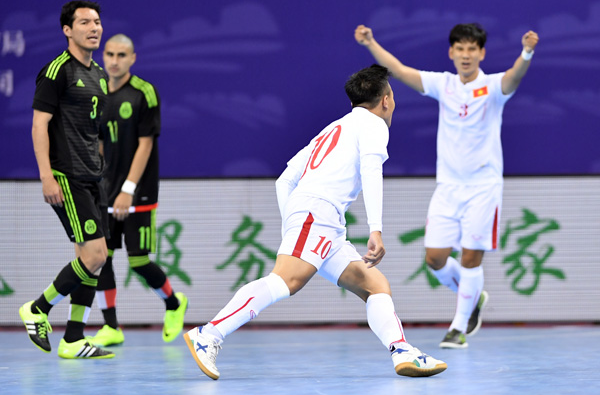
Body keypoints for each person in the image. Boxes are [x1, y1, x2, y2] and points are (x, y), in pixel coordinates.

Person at [184, 64, 448, 380]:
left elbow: (284, 181)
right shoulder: (376, 125)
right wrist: (375, 228)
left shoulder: (331, 129)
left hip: (322, 221)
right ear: (387, 99)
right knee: (286, 281)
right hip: (317, 214)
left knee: (375, 285)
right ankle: (209, 333)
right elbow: (371, 171)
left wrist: (292, 224)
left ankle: (402, 351)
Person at [355, 23, 539, 348]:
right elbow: (397, 70)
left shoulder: (494, 86)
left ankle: (458, 327)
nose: (466, 55)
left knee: (470, 258)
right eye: (461, 49)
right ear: (452, 52)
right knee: (435, 259)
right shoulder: (443, 84)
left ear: (481, 53)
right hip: (448, 187)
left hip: (484, 186)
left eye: (472, 49)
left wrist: (526, 52)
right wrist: (370, 42)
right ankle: (472, 297)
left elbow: (515, 76)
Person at [19, 0, 114, 359]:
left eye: (97, 22)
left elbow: (94, 132)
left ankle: (73, 339)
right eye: (85, 22)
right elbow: (39, 124)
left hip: (94, 177)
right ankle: (38, 309)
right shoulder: (56, 71)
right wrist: (46, 175)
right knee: (95, 254)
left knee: (91, 257)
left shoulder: (101, 76)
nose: (94, 27)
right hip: (66, 175)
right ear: (67, 30)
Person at [86, 34, 188, 347]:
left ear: (133, 58)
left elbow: (145, 145)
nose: (114, 60)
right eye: (109, 54)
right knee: (102, 258)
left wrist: (127, 190)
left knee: (139, 261)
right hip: (105, 191)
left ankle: (174, 303)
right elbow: (99, 144)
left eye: (121, 55)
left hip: (138, 193)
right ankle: (111, 326)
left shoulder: (144, 93)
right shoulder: (96, 92)